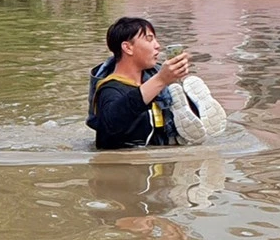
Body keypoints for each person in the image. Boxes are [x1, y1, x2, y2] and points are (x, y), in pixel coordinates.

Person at [86, 17, 226, 149]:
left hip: (160, 161)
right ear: (128, 48)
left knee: (173, 103)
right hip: (132, 167)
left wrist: (168, 78)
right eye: (149, 39)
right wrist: (161, 80)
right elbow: (110, 125)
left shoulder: (153, 83)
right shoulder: (110, 89)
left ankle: (194, 114)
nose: (158, 46)